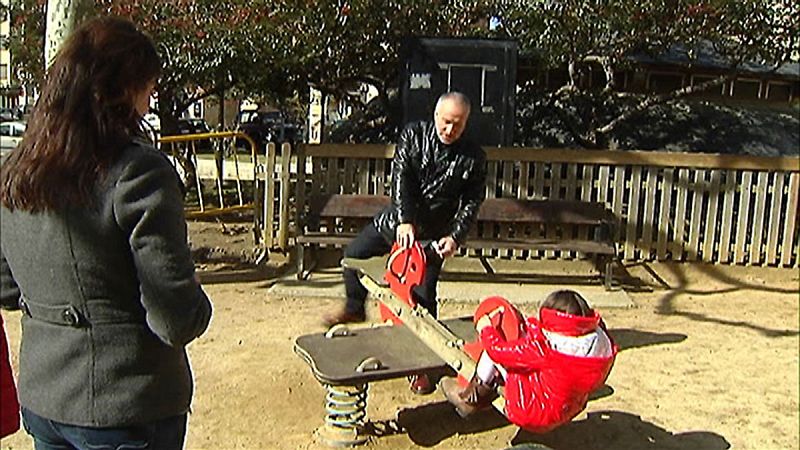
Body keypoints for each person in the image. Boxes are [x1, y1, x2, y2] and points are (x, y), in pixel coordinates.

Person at [0, 16, 212, 450]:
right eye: (147, 90)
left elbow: (5, 287)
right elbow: (174, 318)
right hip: (127, 403)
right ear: (121, 91)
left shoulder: (17, 172)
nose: (148, 106)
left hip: (46, 400)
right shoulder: (138, 173)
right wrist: (195, 301)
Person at [322, 91, 487, 394]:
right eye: (446, 121)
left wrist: (455, 237)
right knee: (353, 256)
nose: (450, 129)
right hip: (397, 222)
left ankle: (425, 367)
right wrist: (404, 220)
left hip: (433, 236)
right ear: (436, 116)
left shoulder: (473, 157)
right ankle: (355, 307)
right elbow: (401, 179)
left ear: (466, 123)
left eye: (458, 124)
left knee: (422, 300)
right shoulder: (414, 136)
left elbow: (471, 202)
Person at [441, 290, 618, 433]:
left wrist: (486, 328)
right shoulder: (601, 346)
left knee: (495, 348)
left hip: (530, 410)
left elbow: (498, 351)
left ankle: (471, 398)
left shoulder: (545, 349)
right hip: (568, 408)